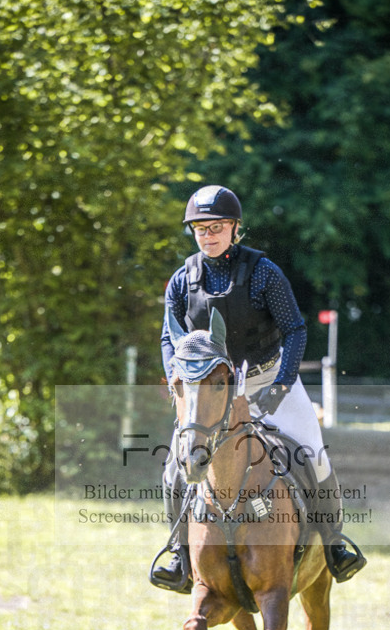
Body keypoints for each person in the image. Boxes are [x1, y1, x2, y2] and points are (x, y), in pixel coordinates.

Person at [150, 184, 366, 592]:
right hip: (210, 393)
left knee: (313, 455)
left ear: (235, 228)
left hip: (267, 379)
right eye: (200, 228)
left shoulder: (263, 272)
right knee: (174, 467)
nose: (208, 235)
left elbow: (295, 330)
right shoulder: (181, 281)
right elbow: (168, 338)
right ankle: (179, 555)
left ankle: (334, 546)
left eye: (217, 227)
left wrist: (281, 385)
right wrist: (179, 381)